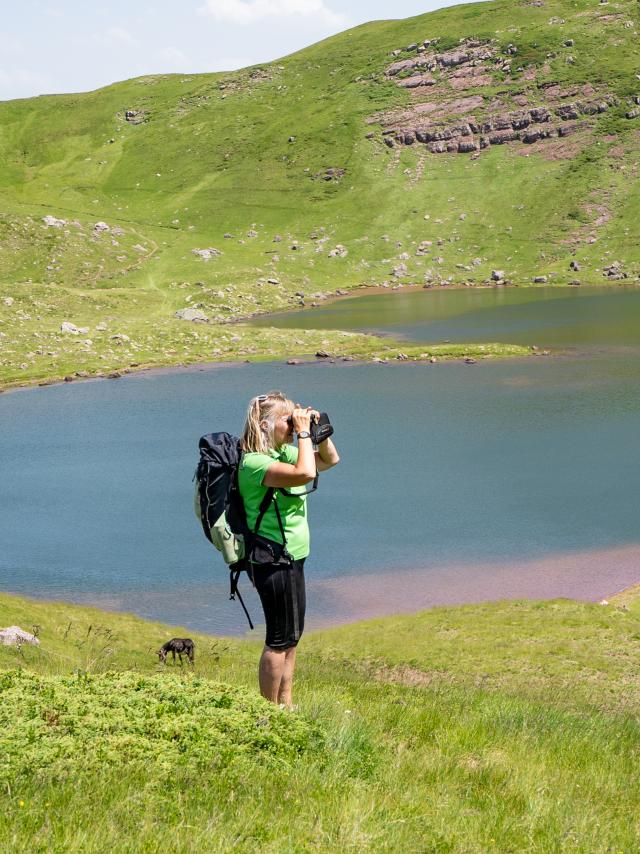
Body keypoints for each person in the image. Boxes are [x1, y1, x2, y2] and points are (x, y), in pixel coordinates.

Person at [238, 390, 340, 707]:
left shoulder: (282, 454)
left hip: (292, 556)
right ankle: (267, 715)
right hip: (271, 558)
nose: (293, 425)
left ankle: (286, 705)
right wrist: (305, 434)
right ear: (265, 425)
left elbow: (329, 461)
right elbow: (306, 473)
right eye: (287, 420)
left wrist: (318, 432)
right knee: (278, 640)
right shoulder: (254, 463)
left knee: (292, 638)